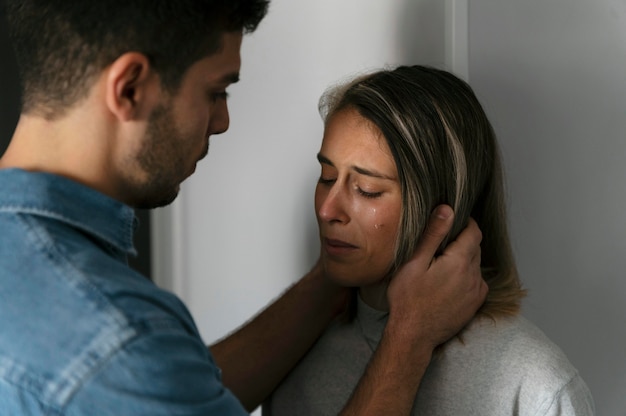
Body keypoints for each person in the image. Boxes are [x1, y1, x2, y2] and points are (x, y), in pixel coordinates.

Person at [0, 2, 488, 415]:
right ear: (129, 87)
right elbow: (140, 370)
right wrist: (410, 335)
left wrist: (329, 280)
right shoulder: (117, 343)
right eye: (215, 91)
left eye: (366, 188)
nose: (223, 121)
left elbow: (185, 390)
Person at [263, 65, 596, 416]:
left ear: (442, 207)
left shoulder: (536, 388)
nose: (328, 210)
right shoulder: (293, 361)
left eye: (367, 190)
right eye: (327, 177)